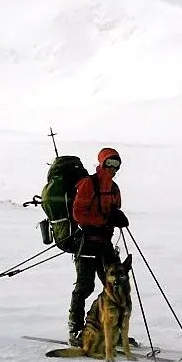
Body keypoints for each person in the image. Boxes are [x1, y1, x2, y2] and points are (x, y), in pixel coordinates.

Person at [67, 147, 129, 346]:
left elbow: (114, 209)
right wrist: (104, 219)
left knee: (115, 285)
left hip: (105, 242)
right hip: (87, 242)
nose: (113, 168)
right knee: (85, 286)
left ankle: (113, 329)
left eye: (116, 164)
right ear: (101, 163)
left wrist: (116, 216)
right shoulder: (88, 184)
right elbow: (78, 214)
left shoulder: (114, 188)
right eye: (109, 163)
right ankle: (75, 329)